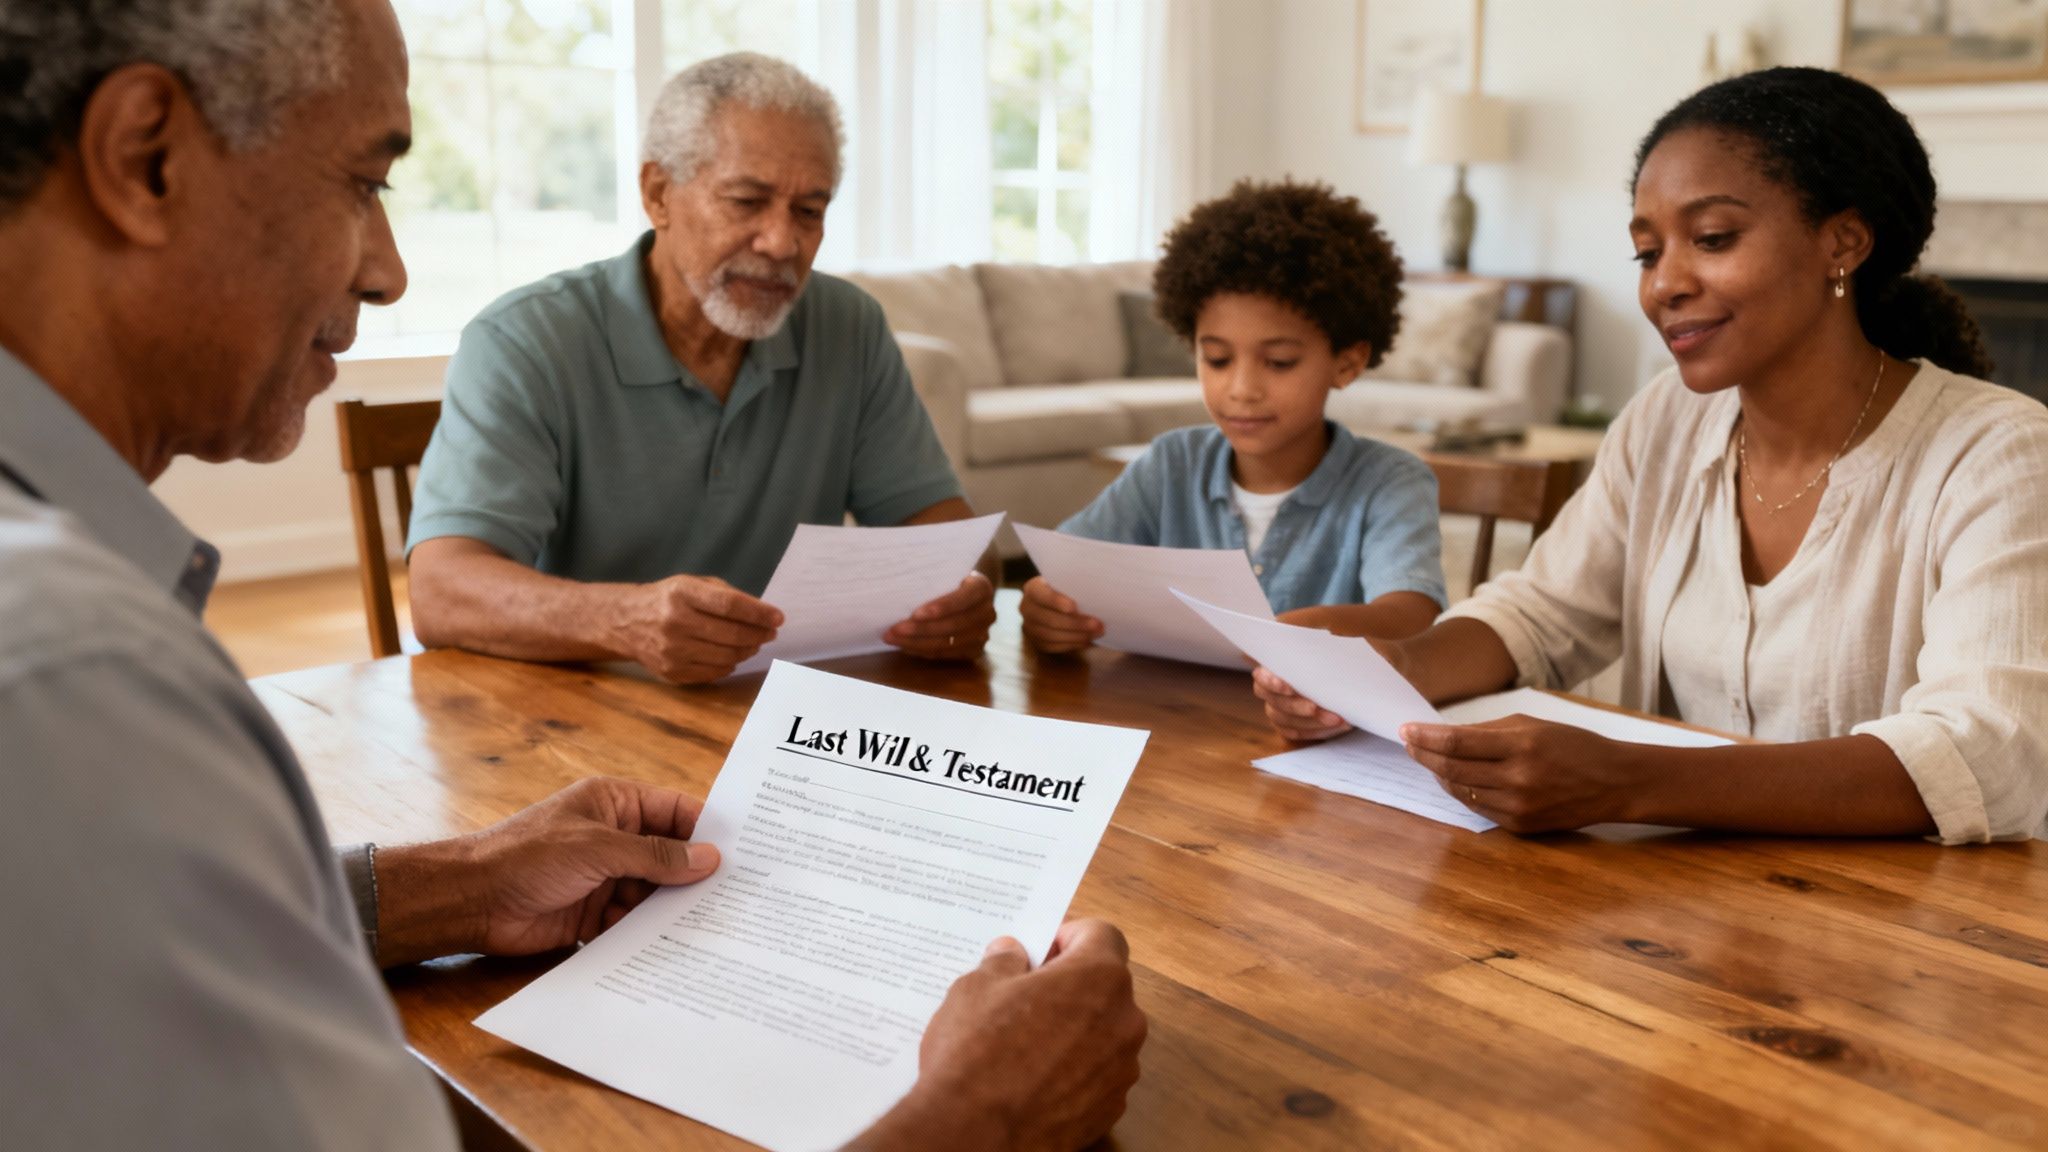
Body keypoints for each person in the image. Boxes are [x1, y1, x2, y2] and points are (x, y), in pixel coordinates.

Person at [0, 2, 1143, 1148]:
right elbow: (441, 589)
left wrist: (459, 884)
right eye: (363, 182)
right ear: (145, 159)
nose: (391, 273)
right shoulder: (69, 670)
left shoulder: (79, 656)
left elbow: (132, 920)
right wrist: (981, 1117)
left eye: (810, 209)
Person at [1256, 67, 2048, 844]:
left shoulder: (1998, 453)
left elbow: (1986, 753)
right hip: (1667, 905)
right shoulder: (1668, 418)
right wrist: (1396, 669)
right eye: (1646, 253)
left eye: (1712, 239)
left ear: (1843, 242)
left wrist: (1629, 782)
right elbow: (1542, 611)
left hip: (1899, 917)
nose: (1664, 284)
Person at [404, 52, 995, 685]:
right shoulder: (525, 340)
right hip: (576, 707)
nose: (782, 243)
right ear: (658, 194)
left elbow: (948, 540)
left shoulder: (849, 327)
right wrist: (626, 620)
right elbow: (441, 591)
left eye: (809, 211)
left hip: (780, 705)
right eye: (747, 201)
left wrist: (961, 594)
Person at [1022, 180, 1446, 655]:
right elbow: (1064, 573)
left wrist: (1313, 630)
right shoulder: (1170, 464)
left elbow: (1410, 616)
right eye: (1218, 360)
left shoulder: (1390, 482)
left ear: (1346, 364)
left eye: (1279, 362)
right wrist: (1048, 605)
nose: (1242, 389)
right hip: (1167, 699)